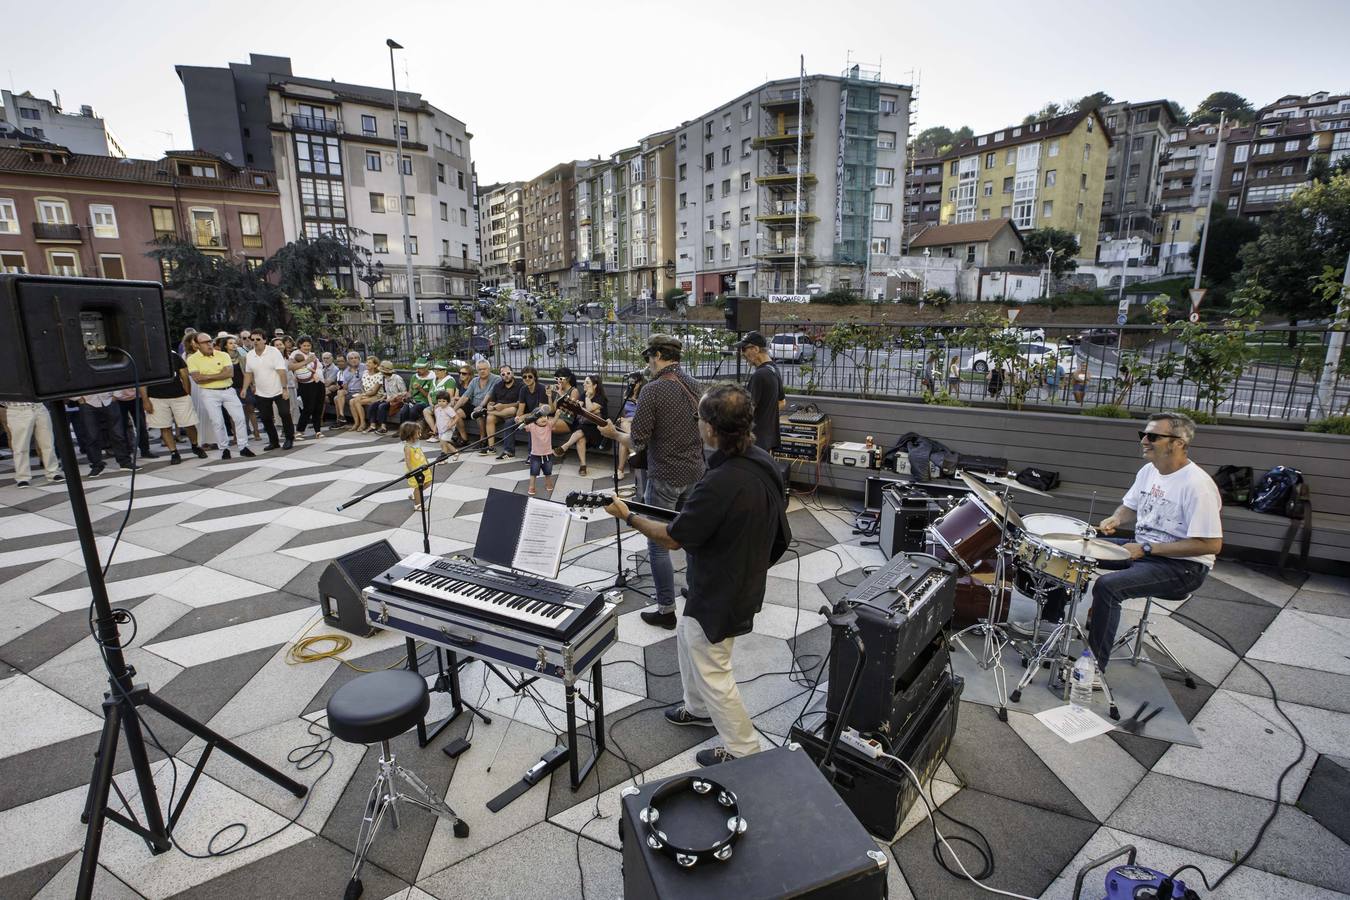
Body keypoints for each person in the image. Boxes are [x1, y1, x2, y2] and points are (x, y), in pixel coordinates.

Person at [603, 383, 790, 767]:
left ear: (710, 428)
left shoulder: (721, 482)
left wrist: (629, 516)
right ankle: (697, 708)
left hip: (722, 590)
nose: (698, 424)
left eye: (699, 418)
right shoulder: (761, 461)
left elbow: (672, 539)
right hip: (730, 579)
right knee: (690, 640)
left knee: (713, 667)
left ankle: (743, 751)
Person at [599, 335, 705, 630]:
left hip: (665, 476)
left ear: (658, 354)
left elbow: (638, 441)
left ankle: (666, 610)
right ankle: (696, 593)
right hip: (695, 473)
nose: (647, 363)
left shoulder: (653, 390)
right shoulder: (694, 384)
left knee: (658, 543)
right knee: (694, 538)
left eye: (648, 357)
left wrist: (613, 435)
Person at [188, 333, 254, 460]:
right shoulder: (192, 359)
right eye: (205, 342)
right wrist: (219, 374)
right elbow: (197, 379)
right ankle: (224, 449)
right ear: (197, 345)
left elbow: (229, 373)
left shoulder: (222, 354)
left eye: (210, 340)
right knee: (217, 422)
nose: (209, 344)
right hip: (209, 393)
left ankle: (243, 447)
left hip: (228, 390)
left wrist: (207, 376)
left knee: (239, 418)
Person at [141, 347, 207, 464]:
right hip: (156, 397)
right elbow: (142, 382)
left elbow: (184, 375)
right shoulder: (145, 361)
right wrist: (145, 400)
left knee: (189, 424)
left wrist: (186, 393)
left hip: (179, 395)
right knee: (164, 426)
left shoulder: (174, 356)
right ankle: (174, 452)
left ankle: (195, 446)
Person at [733, 331, 785, 451]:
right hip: (767, 440)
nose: (743, 353)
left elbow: (746, 411)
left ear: (755, 349)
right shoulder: (774, 369)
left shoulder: (760, 375)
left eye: (744, 349)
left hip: (755, 441)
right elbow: (782, 402)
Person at [242, 332, 294, 450]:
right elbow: (248, 373)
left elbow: (281, 371)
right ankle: (274, 441)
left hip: (278, 390)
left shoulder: (273, 352)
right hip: (261, 392)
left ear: (264, 340)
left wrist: (284, 389)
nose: (255, 341)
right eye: (253, 339)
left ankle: (289, 438)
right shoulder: (250, 355)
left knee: (285, 413)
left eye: (258, 339)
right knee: (266, 417)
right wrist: (245, 388)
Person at [555, 373, 608, 476]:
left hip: (598, 428)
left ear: (595, 385)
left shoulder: (600, 397)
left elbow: (589, 409)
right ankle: (583, 465)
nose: (584, 384)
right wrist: (578, 404)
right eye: (584, 382)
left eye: (587, 383)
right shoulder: (583, 394)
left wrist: (588, 397)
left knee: (581, 431)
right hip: (584, 425)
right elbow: (579, 407)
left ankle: (565, 446)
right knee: (581, 438)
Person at [2, 401, 63, 486]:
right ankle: (22, 477)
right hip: (17, 409)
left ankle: (53, 472)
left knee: (48, 443)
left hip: (39, 407)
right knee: (20, 447)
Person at [504, 365, 548, 460]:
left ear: (535, 377)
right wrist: (518, 417)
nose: (527, 379)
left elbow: (540, 411)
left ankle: (531, 454)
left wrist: (524, 417)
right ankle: (508, 451)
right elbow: (521, 408)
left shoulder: (541, 389)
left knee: (530, 425)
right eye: (524, 377)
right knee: (509, 422)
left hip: (541, 417)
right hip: (528, 415)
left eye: (530, 376)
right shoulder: (523, 389)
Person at [456, 358, 500, 450]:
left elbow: (489, 395)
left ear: (489, 369)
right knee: (457, 413)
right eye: (480, 369)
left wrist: (481, 406)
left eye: (484, 369)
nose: (482, 371)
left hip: (487, 405)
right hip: (474, 404)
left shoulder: (496, 379)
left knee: (479, 414)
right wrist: (453, 409)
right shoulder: (475, 380)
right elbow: (465, 396)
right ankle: (464, 438)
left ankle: (483, 439)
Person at [483, 365, 524, 456]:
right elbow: (492, 401)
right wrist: (490, 405)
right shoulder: (498, 386)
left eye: (508, 373)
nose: (506, 375)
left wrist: (503, 406)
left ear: (512, 373)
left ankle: (488, 412)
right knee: (490, 418)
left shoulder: (520, 385)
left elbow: (519, 403)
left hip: (511, 412)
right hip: (498, 412)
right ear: (501, 376)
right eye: (503, 374)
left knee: (512, 410)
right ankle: (491, 447)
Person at [292, 336, 325, 438]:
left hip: (319, 382)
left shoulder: (312, 354)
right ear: (300, 345)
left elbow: (319, 366)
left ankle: (318, 430)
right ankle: (300, 430)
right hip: (306, 384)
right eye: (304, 345)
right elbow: (291, 367)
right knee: (308, 408)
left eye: (309, 345)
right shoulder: (295, 354)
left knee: (318, 407)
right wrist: (307, 362)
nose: (307, 347)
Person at [523, 408, 557, 496]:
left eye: (545, 416)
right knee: (533, 472)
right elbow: (524, 425)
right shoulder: (532, 426)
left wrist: (557, 415)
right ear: (534, 419)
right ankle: (532, 487)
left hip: (547, 454)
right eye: (540, 417)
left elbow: (554, 422)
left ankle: (548, 483)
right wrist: (518, 420)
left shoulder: (549, 425)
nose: (544, 419)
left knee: (548, 471)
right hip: (535, 455)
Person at [369, 361, 408, 435]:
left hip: (397, 401)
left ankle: (383, 427)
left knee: (382, 406)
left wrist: (394, 397)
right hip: (388, 399)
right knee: (373, 405)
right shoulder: (384, 378)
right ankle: (372, 425)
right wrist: (383, 397)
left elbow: (404, 392)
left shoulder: (397, 378)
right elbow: (386, 392)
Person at [401, 357, 437, 434]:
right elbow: (410, 391)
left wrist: (420, 388)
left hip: (424, 401)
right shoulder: (414, 377)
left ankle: (411, 431)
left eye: (419, 369)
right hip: (414, 400)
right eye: (416, 368)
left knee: (413, 410)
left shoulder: (432, 378)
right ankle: (402, 430)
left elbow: (429, 395)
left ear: (426, 368)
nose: (417, 370)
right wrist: (407, 397)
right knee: (404, 410)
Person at [401, 421, 431, 511]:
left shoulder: (417, 443)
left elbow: (421, 453)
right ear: (410, 434)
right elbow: (408, 460)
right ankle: (418, 505)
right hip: (415, 470)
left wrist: (427, 463)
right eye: (418, 433)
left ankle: (415, 494)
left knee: (428, 482)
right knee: (418, 487)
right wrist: (412, 472)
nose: (420, 434)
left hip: (423, 467)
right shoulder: (407, 447)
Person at [350, 356, 383, 432]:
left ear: (375, 365)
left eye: (369, 363)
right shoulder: (365, 373)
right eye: (367, 362)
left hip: (377, 396)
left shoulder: (379, 375)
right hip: (366, 394)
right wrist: (362, 394)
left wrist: (362, 396)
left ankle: (363, 423)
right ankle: (356, 423)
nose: (367, 364)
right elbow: (362, 386)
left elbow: (374, 391)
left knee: (357, 401)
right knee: (351, 401)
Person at [335, 351, 363, 427]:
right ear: (348, 361)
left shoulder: (364, 367)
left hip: (361, 392)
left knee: (338, 398)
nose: (354, 360)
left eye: (356, 358)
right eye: (351, 358)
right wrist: (341, 386)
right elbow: (345, 386)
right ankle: (341, 416)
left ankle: (343, 420)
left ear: (359, 359)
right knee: (339, 393)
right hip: (350, 392)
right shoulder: (346, 371)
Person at [432, 391, 458, 456]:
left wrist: (451, 425)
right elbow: (437, 419)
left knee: (444, 442)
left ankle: (443, 458)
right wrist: (435, 427)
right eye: (439, 401)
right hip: (441, 429)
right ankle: (455, 452)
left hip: (448, 429)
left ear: (447, 401)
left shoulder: (449, 409)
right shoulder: (437, 409)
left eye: (443, 401)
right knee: (443, 444)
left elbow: (456, 417)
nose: (441, 403)